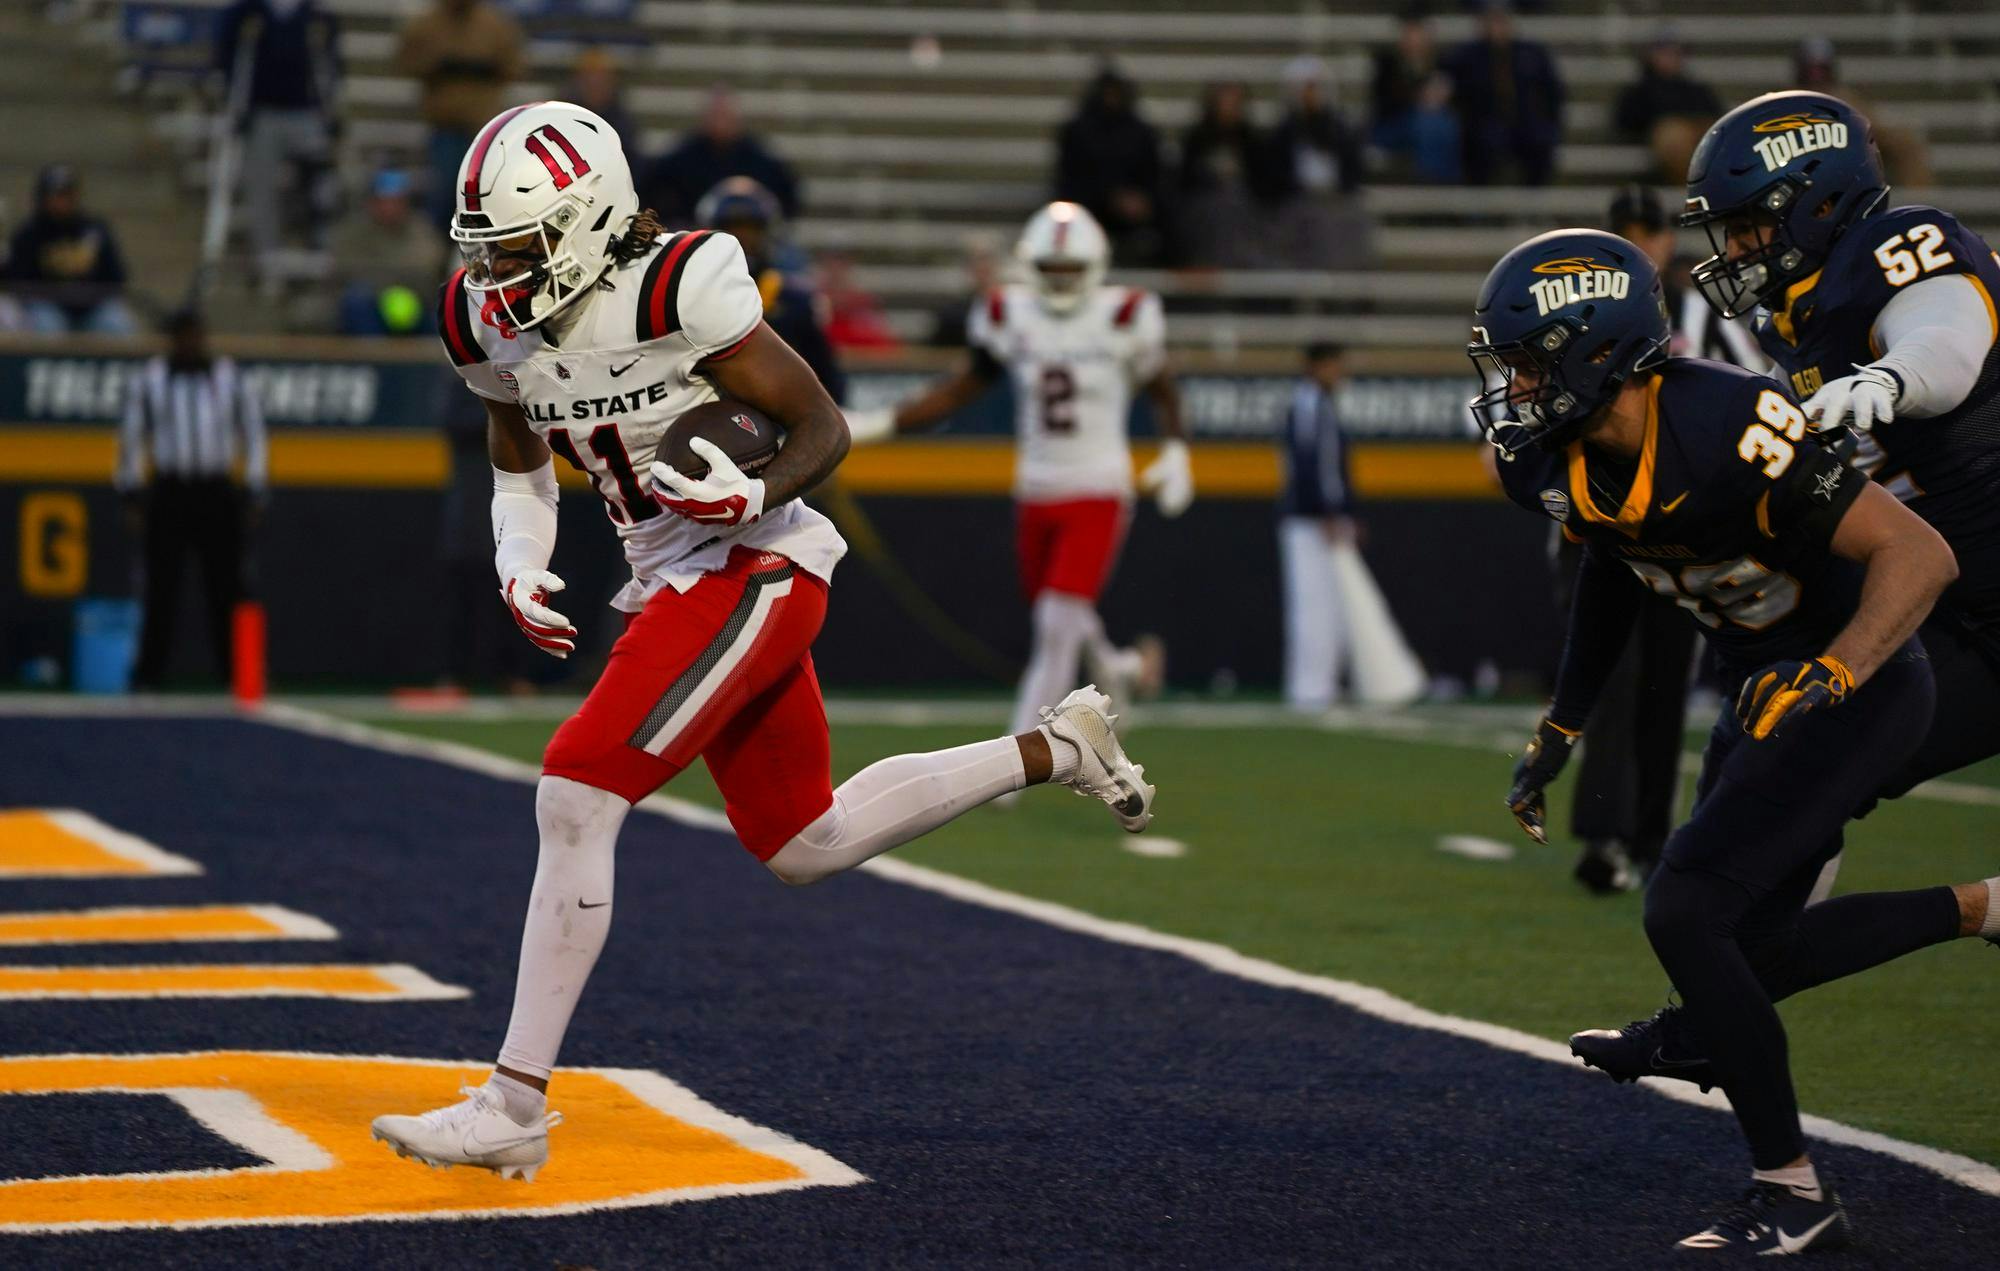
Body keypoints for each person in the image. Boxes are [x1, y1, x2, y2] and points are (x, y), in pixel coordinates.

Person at [370, 103, 1158, 1179]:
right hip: (672, 575)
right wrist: (519, 552)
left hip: (755, 564)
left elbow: (819, 426)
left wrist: (754, 489)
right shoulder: (483, 318)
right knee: (805, 843)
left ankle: (513, 1099)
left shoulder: (678, 282)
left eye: (519, 244)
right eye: (488, 249)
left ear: (589, 217)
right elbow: (515, 453)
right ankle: (1057, 746)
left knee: (574, 791)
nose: (499, 271)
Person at [1476, 227, 1992, 1254]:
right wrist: (1562, 722)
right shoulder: (1551, 455)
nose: (1514, 387)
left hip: (1859, 677)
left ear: (1597, 350)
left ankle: (1793, 1192)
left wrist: (1833, 670)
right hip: (1770, 682)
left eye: (1530, 360)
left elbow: (1917, 553)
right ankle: (1978, 907)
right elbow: (1609, 566)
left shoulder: (1727, 422)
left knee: (1685, 906)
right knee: (1740, 950)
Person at [1570, 87, 2000, 1088]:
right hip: (1951, 611)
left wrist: (1886, 382)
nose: (1734, 249)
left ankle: (1708, 1025)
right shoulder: (1794, 310)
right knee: (1745, 854)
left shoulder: (1901, 247)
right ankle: (1714, 1013)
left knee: (1775, 792)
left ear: (1814, 203)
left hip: (1976, 604)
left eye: (1750, 223)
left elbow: (1943, 338)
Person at [844, 201, 1187, 727]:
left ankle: (1018, 760)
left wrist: (1176, 447)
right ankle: (1124, 668)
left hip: (1098, 484)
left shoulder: (1124, 313)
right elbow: (961, 389)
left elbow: (1162, 384)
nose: (1061, 279)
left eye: (1070, 269)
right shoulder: (1010, 311)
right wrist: (884, 422)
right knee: (1062, 617)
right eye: (1051, 269)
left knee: (1056, 626)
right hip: (1036, 489)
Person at [1552, 183, 1757, 893]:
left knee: (1667, 688)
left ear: (1669, 238)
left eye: (1652, 229)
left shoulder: (1700, 311)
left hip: (1683, 533)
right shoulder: (1570, 311)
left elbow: (1754, 387)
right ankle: (1604, 838)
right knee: (1614, 683)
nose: (1644, 241)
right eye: (1630, 228)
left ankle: (1648, 838)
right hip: (1603, 533)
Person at [115, 309, 267, 689]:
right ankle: (149, 674)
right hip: (170, 490)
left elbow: (253, 433)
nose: (190, 344)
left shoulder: (229, 378)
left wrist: (253, 486)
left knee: (229, 587)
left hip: (216, 490)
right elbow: (131, 437)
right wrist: (131, 490)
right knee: (161, 587)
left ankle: (238, 673)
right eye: (182, 337)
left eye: (195, 336)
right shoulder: (151, 379)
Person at [215, 0, 342, 273]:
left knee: (321, 178)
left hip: (306, 111)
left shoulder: (316, 16)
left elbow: (332, 65)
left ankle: (319, 244)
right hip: (262, 113)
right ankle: (266, 252)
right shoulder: (246, 13)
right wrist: (237, 106)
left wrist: (331, 109)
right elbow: (226, 57)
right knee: (260, 184)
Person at [694, 176, 844, 399]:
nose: (742, 238)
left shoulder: (795, 299)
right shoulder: (692, 293)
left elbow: (829, 384)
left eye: (750, 229)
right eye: (732, 228)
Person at [395, 0, 524, 227]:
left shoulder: (495, 25)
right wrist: (439, 66)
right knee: (443, 196)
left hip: (483, 131)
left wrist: (483, 68)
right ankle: (437, 252)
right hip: (444, 125)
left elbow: (515, 65)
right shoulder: (428, 24)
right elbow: (405, 61)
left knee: (483, 197)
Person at [1277, 343, 1356, 710]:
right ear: (1318, 366)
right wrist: (1331, 511)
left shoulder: (1313, 402)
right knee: (1313, 605)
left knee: (1326, 605)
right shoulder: (1311, 403)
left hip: (1314, 517)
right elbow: (1317, 463)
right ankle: (1310, 689)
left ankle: (1320, 684)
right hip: (1309, 520)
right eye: (1335, 365)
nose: (1339, 373)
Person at [1054, 66, 1168, 267]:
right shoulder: (1078, 132)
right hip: (1088, 212)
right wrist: (1110, 197)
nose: (1112, 99)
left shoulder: (1141, 133)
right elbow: (1069, 181)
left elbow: (1155, 177)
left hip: (1134, 220)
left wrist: (1141, 201)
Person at [1, 166, 135, 334]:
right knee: (48, 326)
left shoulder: (95, 229)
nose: (62, 201)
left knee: (117, 324)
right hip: (47, 306)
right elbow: (17, 280)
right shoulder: (28, 234)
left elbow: (117, 275)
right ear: (43, 198)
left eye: (67, 195)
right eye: (56, 195)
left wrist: (90, 294)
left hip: (92, 306)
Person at [640, 87, 799, 227]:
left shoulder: (759, 157)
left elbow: (787, 193)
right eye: (716, 116)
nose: (721, 123)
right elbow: (652, 187)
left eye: (726, 116)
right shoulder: (682, 157)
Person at [1444, 1, 1564, 187]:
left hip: (1523, 123)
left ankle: (1533, 201)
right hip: (1484, 125)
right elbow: (1448, 84)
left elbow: (1553, 92)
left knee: (1541, 140)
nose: (1497, 26)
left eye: (1501, 20)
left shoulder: (1531, 53)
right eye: (1492, 20)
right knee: (1481, 144)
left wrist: (1549, 122)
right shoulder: (1466, 56)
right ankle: (1481, 204)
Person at [1268, 56, 1370, 270]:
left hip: (1336, 201)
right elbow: (1276, 178)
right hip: (1297, 204)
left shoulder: (1340, 130)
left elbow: (1352, 172)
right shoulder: (1283, 133)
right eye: (1305, 89)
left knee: (1352, 219)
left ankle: (1350, 288)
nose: (1309, 95)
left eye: (1314, 88)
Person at [1792, 38, 1931, 189]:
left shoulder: (1846, 99)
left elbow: (1876, 131)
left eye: (1821, 69)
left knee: (1906, 145)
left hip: (1846, 165)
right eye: (1811, 70)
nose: (1816, 76)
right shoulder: (1789, 100)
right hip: (1802, 169)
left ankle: (1918, 200)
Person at [331, 168, 445, 335]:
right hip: (370, 303)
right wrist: (392, 279)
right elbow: (344, 268)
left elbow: (427, 267)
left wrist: (383, 274)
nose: (389, 207)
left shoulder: (422, 229)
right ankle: (369, 358)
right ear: (371, 202)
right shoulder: (353, 231)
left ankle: (433, 360)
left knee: (443, 309)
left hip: (416, 301)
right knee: (356, 300)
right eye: (383, 200)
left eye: (396, 201)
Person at [1174, 81, 1275, 268]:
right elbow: (1185, 181)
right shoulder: (1197, 138)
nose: (1228, 108)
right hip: (1205, 206)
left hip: (1244, 206)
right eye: (1224, 102)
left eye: (1234, 103)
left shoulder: (1251, 140)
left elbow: (1264, 183)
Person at [1611, 33, 1719, 184]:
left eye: (1674, 53)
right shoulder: (1639, 91)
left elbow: (1715, 116)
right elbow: (1626, 121)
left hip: (1696, 137)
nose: (1669, 58)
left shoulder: (1695, 89)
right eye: (1663, 53)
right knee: (1673, 136)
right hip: (1665, 139)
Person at [1368, 8, 1460, 184]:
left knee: (1447, 123)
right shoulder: (1387, 64)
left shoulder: (1439, 64)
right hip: (1390, 127)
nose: (1415, 39)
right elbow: (1385, 104)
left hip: (1428, 123)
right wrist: (1420, 97)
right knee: (1427, 123)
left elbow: (1449, 98)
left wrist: (1437, 97)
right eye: (1411, 33)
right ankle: (1429, 183)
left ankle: (1447, 183)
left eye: (1419, 33)